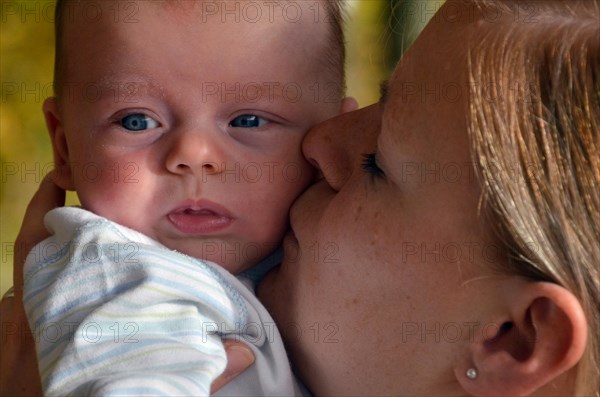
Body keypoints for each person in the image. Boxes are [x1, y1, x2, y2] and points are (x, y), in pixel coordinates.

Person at [2, 0, 598, 396]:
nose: (318, 142)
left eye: (376, 165)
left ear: (509, 337)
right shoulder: (130, 277)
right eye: (135, 120)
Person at [15, 0, 356, 396]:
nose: (193, 155)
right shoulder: (116, 273)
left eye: (249, 121)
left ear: (335, 139)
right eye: (136, 121)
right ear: (66, 149)